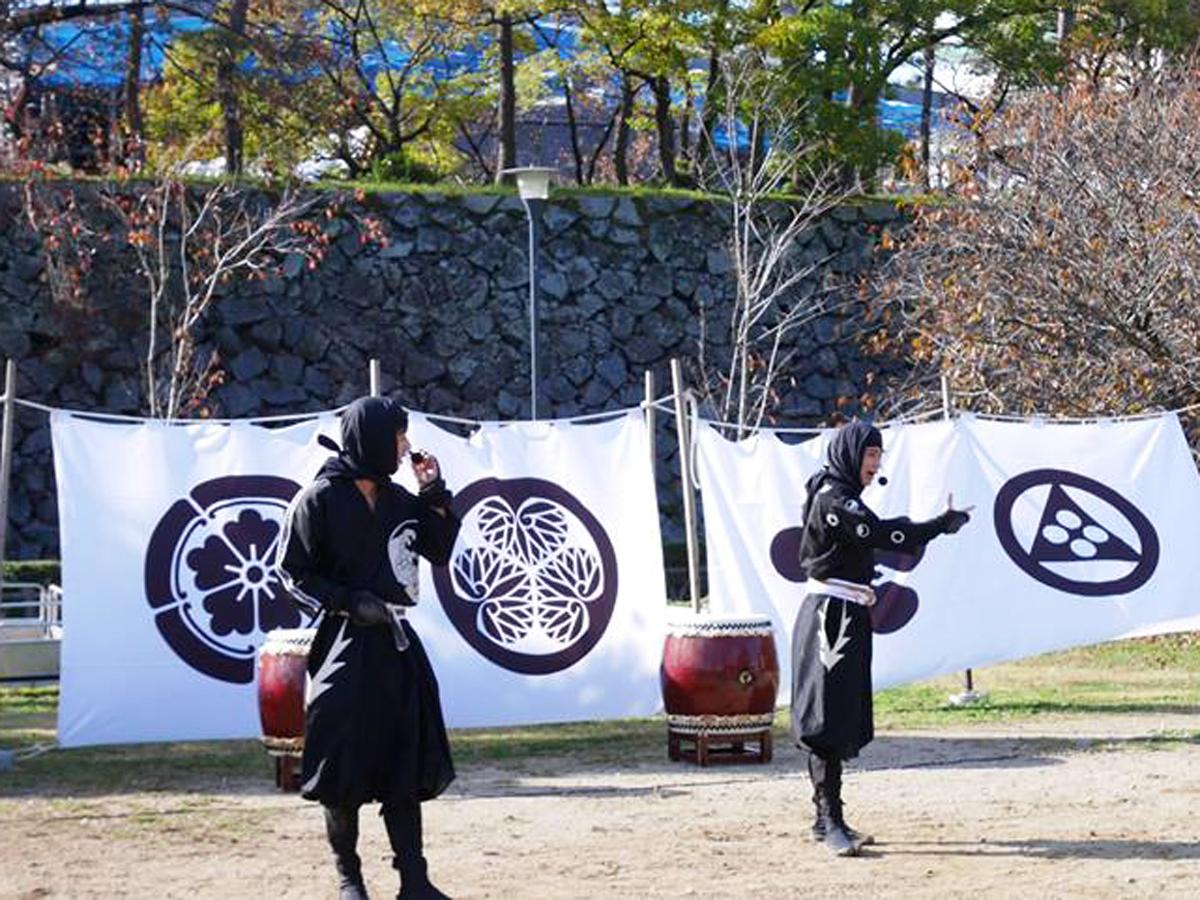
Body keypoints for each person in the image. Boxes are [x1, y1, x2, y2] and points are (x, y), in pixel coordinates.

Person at [277, 396, 460, 899]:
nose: (405, 447)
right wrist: (346, 601)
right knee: (341, 765)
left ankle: (415, 881)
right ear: (373, 437)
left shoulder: (402, 500)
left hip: (397, 647)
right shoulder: (319, 499)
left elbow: (439, 549)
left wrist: (434, 489)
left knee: (403, 759)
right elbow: (291, 572)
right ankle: (349, 879)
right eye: (398, 437)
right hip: (342, 644)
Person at [791, 420, 970, 857]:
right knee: (827, 716)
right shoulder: (836, 499)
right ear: (852, 454)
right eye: (870, 455)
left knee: (839, 708)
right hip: (830, 617)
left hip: (846, 611)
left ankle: (824, 818)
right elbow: (883, 534)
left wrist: (933, 527)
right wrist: (936, 526)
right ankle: (831, 820)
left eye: (878, 455)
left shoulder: (837, 493)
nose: (875, 464)